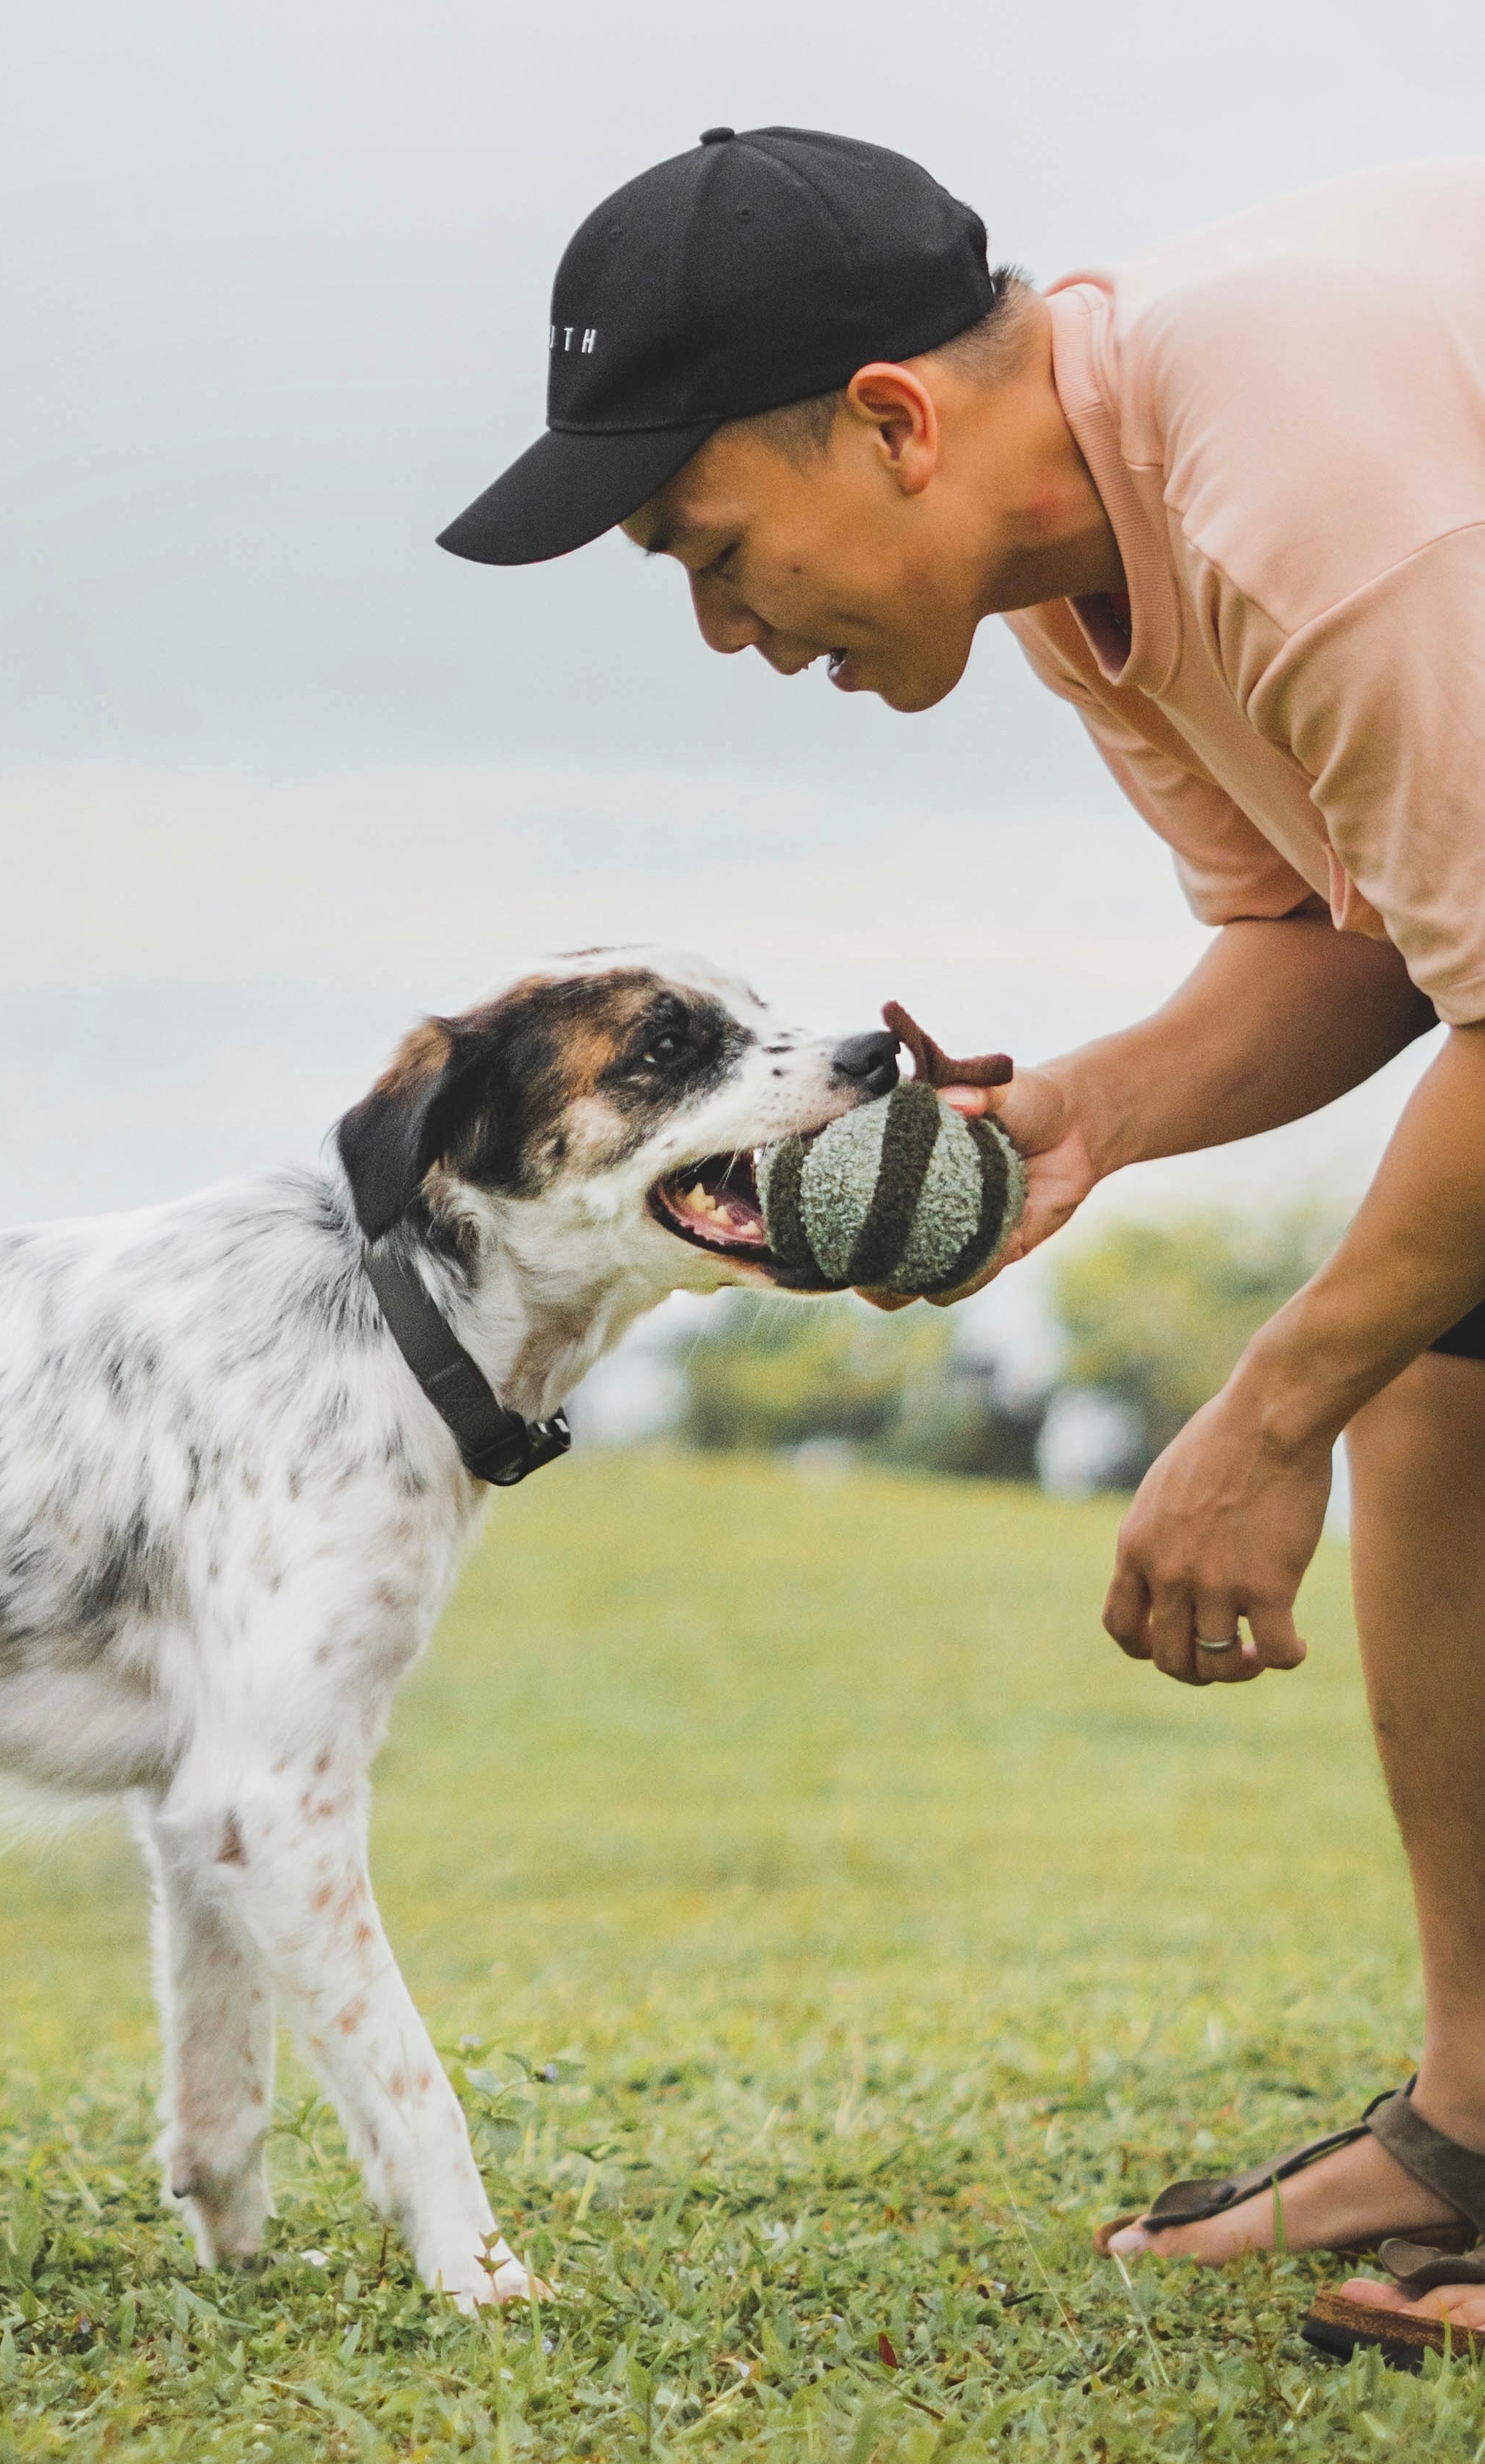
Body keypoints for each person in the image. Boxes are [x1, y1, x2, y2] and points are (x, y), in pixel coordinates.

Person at [437, 126, 1485, 2365]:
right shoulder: (1092, 584)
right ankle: (1480, 2130)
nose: (725, 628)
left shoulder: (1285, 466)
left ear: (897, 424)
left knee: (1373, 1355)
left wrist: (1264, 1407)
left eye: (709, 550)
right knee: (1448, 1359)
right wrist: (1083, 1120)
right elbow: (1361, 939)